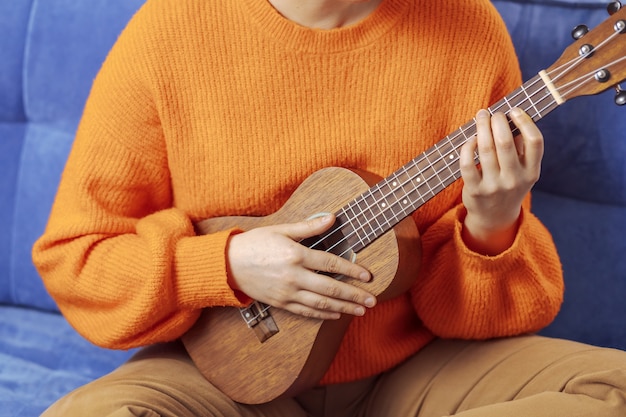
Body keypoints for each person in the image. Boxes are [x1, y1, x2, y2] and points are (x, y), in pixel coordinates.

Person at [32, 0, 626, 416]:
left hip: (409, 374)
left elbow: (475, 318)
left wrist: (494, 223)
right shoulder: (169, 31)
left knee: (612, 387)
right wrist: (229, 264)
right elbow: (76, 259)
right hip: (227, 379)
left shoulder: (469, 28)